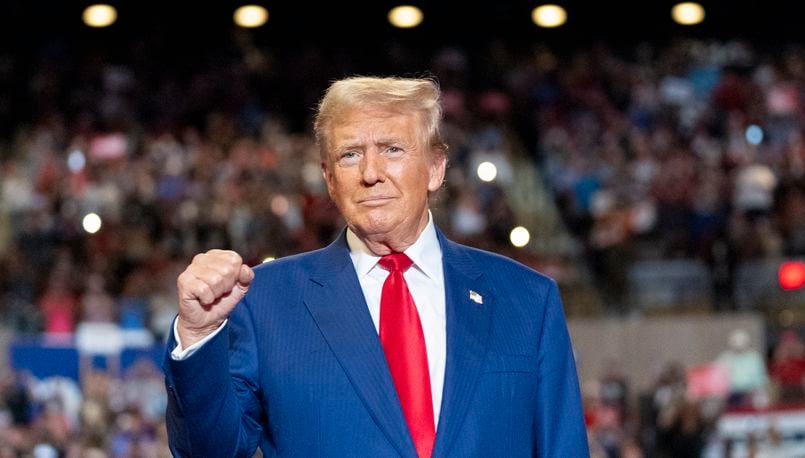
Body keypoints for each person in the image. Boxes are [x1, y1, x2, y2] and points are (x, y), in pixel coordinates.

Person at [163, 76, 588, 457]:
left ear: (435, 169)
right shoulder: (266, 300)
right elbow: (209, 452)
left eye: (392, 149)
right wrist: (198, 336)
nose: (371, 173)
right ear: (330, 179)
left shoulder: (527, 298)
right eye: (350, 155)